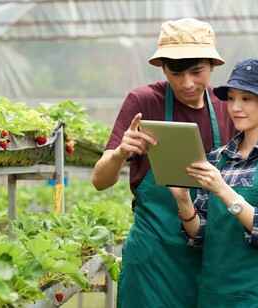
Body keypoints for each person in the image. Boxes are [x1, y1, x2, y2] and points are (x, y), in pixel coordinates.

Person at [91, 18, 237, 307]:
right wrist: (120, 153)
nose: (187, 83)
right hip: (153, 258)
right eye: (176, 72)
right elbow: (99, 180)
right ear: (163, 68)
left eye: (197, 72)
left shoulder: (227, 108)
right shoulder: (144, 102)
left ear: (212, 65)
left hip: (209, 254)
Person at [168, 58, 258, 307]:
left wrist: (222, 188)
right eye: (232, 98)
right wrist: (183, 200)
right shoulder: (218, 158)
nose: (235, 107)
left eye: (246, 99)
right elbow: (199, 236)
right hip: (213, 295)